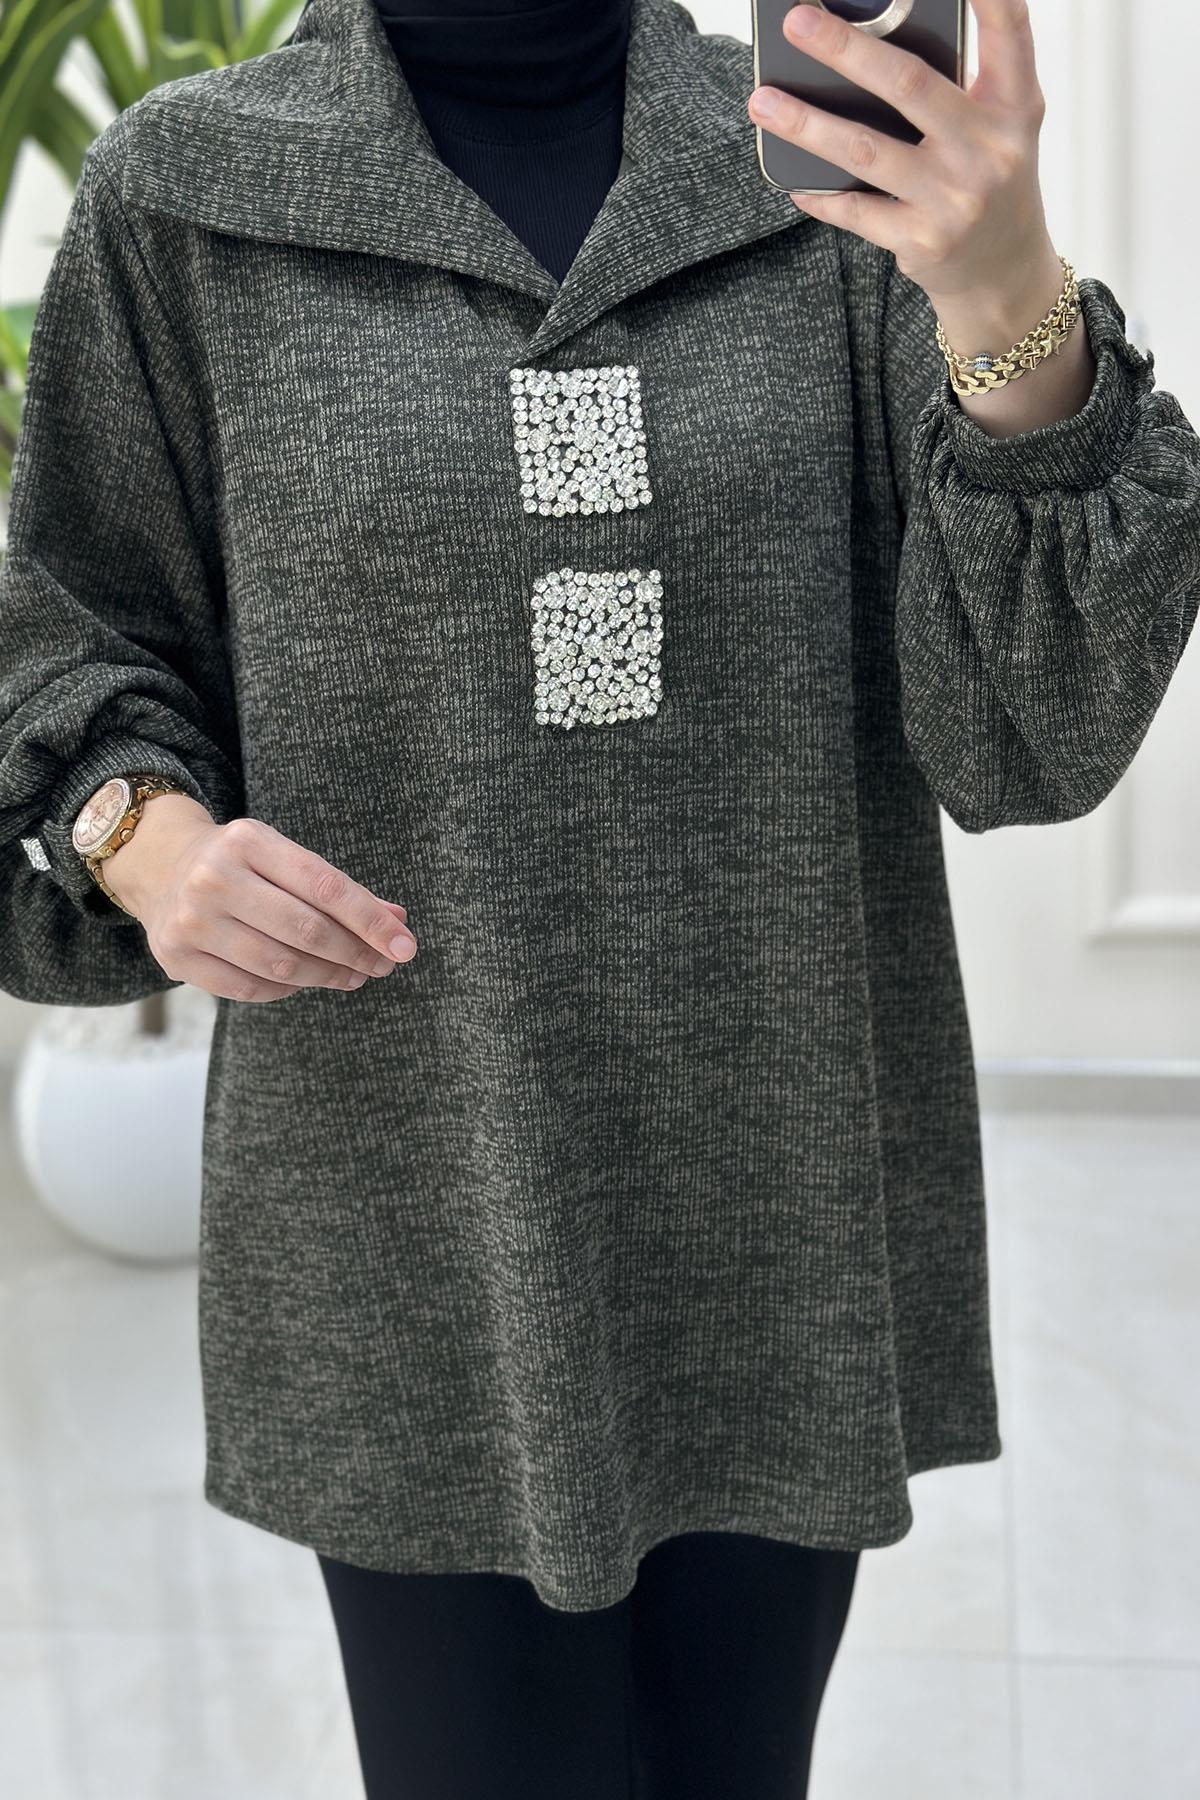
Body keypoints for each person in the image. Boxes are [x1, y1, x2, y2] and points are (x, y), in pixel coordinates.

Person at [1, 0, 1196, 1793]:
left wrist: (1004, 291)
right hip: (410, 1220)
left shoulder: (823, 178)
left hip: (775, 1210)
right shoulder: (191, 195)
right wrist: (146, 840)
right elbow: (73, 628)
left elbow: (1026, 737)